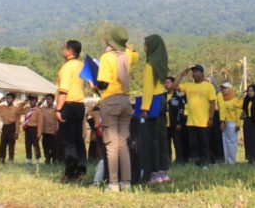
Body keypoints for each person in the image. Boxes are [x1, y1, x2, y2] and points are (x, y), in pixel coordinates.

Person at [96, 25, 139, 192]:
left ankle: (113, 183)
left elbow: (103, 82)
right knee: (123, 144)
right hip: (125, 101)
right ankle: (126, 182)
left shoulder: (107, 57)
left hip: (110, 100)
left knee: (111, 144)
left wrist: (95, 84)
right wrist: (126, 44)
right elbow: (135, 53)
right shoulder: (128, 55)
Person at [172, 64, 217, 167]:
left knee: (204, 144)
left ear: (202, 74)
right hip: (191, 122)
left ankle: (206, 163)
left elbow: (212, 103)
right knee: (193, 145)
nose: (194, 73)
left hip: (204, 121)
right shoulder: (188, 85)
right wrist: (182, 74)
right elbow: (173, 87)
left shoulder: (208, 86)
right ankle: (196, 163)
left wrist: (211, 118)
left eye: (197, 71)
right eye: (193, 71)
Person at [139, 34, 170, 184]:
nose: (144, 48)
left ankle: (155, 173)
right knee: (162, 137)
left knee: (153, 139)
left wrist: (144, 108)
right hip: (162, 100)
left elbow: (148, 88)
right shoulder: (162, 63)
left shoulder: (150, 64)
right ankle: (164, 172)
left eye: (145, 45)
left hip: (153, 102)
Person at [55, 40, 87, 182]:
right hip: (80, 105)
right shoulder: (82, 65)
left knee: (68, 142)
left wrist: (58, 109)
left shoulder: (67, 67)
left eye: (64, 48)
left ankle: (70, 173)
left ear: (69, 51)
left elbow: (64, 91)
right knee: (78, 139)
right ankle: (81, 171)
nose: (63, 50)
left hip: (68, 105)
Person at [0, 93, 21, 164]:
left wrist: (17, 132)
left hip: (12, 127)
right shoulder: (3, 107)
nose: (8, 100)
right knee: (2, 144)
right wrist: (0, 101)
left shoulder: (16, 109)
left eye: (10, 98)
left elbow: (17, 121)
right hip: (5, 127)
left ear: (13, 100)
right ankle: (2, 159)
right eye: (7, 98)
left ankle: (11, 160)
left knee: (11, 144)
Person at [164, 76, 187, 164]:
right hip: (166, 124)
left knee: (177, 142)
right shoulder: (163, 96)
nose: (166, 84)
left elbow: (181, 110)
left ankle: (179, 160)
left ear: (173, 84)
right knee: (167, 143)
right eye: (165, 83)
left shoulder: (178, 96)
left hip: (175, 123)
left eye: (168, 82)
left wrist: (178, 122)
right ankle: (167, 160)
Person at [219, 82, 241, 165]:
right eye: (222, 88)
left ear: (229, 89)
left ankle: (231, 161)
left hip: (232, 123)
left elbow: (238, 113)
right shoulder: (221, 100)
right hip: (224, 123)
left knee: (231, 142)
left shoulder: (235, 100)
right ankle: (225, 160)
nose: (223, 90)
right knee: (224, 141)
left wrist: (238, 124)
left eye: (225, 88)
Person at [241, 84, 255, 163]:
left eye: (252, 91)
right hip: (247, 122)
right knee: (248, 140)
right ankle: (249, 158)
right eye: (249, 91)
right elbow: (236, 103)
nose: (250, 93)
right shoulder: (246, 101)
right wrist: (241, 94)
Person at [19, 95, 43, 164]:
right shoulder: (27, 109)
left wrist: (39, 133)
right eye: (30, 100)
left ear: (36, 101)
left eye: (33, 100)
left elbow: (40, 122)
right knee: (27, 144)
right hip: (27, 129)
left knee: (35, 145)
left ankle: (37, 159)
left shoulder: (38, 110)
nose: (31, 102)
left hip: (35, 129)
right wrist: (24, 102)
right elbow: (18, 111)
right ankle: (28, 159)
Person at [40, 94, 59, 165]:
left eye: (49, 99)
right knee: (45, 146)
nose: (48, 101)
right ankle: (47, 159)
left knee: (53, 147)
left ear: (53, 100)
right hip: (44, 131)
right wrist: (41, 102)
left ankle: (54, 159)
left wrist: (56, 130)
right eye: (47, 99)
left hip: (53, 131)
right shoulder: (43, 108)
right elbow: (36, 109)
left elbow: (57, 121)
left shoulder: (55, 109)